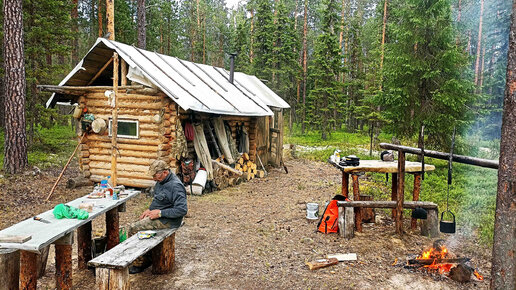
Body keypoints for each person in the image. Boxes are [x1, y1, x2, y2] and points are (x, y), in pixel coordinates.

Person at [127, 159, 188, 274]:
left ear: (165, 172)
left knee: (134, 228)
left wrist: (160, 213)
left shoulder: (176, 186)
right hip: (161, 216)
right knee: (138, 223)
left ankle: (140, 263)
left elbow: (182, 210)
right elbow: (159, 200)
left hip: (169, 221)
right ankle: (147, 256)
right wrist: (150, 209)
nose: (153, 178)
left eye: (155, 176)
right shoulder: (161, 182)